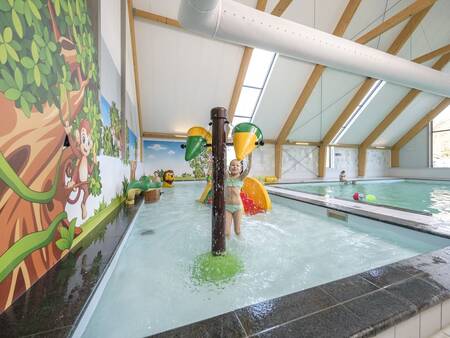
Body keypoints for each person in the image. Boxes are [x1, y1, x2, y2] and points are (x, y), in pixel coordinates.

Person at [225, 154, 252, 238]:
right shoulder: (226, 177)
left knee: (237, 231)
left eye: (237, 165)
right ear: (229, 168)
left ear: (240, 169)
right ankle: (226, 248)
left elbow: (248, 169)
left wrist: (250, 155)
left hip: (238, 207)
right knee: (226, 232)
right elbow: (221, 165)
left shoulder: (240, 178)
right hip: (227, 207)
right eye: (232, 165)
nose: (235, 167)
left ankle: (240, 245)